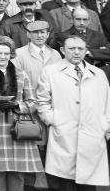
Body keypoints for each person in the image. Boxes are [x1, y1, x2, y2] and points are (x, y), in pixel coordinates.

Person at [37, 34, 110, 189]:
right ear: (63, 50)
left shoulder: (98, 74)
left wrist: (105, 127)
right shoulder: (51, 71)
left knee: (88, 185)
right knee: (63, 184)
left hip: (92, 138)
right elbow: (42, 102)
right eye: (72, 49)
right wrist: (54, 120)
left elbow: (107, 104)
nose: (76, 52)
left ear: (86, 51)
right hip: (64, 137)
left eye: (80, 49)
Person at [0, 36, 44, 191]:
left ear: (11, 55)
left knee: (18, 175)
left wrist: (17, 105)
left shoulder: (22, 75)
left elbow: (33, 102)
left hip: (18, 128)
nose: (2, 57)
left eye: (6, 53)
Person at [12, 20, 62, 88]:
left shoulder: (55, 54)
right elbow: (15, 82)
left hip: (53, 97)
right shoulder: (19, 54)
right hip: (30, 98)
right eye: (35, 32)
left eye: (42, 32)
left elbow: (60, 80)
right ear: (28, 34)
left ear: (47, 34)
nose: (39, 36)